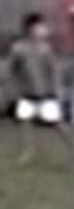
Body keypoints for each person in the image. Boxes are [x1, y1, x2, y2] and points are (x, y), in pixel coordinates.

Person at [8, 12, 66, 161]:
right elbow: (13, 70)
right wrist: (12, 89)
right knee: (25, 122)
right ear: (30, 29)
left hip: (45, 93)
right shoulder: (18, 49)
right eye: (40, 27)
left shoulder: (45, 50)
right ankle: (28, 151)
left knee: (57, 123)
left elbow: (53, 72)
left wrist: (56, 90)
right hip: (27, 92)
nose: (43, 30)